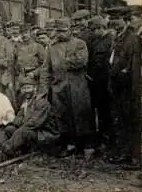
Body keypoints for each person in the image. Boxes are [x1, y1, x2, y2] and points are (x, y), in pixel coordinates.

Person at [40, 18, 95, 160]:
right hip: (59, 86)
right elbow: (46, 69)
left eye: (64, 31)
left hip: (77, 86)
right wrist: (44, 89)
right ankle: (71, 145)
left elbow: (81, 61)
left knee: (82, 114)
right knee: (63, 116)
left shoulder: (79, 43)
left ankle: (88, 146)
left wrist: (64, 61)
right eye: (58, 31)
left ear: (70, 30)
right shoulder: (51, 48)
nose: (61, 34)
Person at [0, 76, 60, 164]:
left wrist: (23, 122)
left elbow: (35, 123)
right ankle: (17, 151)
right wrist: (23, 121)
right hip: (34, 133)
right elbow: (16, 119)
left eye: (29, 87)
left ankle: (1, 156)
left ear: (35, 88)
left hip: (45, 135)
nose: (26, 91)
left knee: (23, 131)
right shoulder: (25, 102)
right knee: (10, 129)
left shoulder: (41, 102)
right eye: (24, 88)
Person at [107, 6, 142, 170]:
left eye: (118, 19)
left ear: (126, 21)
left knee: (132, 121)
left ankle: (135, 158)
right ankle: (124, 154)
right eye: (112, 19)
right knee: (121, 121)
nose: (114, 22)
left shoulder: (133, 39)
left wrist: (134, 90)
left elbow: (133, 67)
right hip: (118, 87)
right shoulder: (118, 38)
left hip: (128, 88)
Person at [86, 16, 114, 149]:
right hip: (94, 80)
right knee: (96, 108)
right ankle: (100, 135)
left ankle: (107, 137)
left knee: (105, 110)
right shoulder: (95, 40)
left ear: (101, 28)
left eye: (95, 29)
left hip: (105, 80)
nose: (94, 32)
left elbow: (110, 63)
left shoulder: (110, 40)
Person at [14, 24, 46, 107]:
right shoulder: (17, 47)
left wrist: (35, 73)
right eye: (22, 33)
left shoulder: (38, 46)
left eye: (26, 32)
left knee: (35, 103)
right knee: (21, 103)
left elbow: (45, 65)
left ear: (31, 33)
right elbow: (14, 63)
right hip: (22, 80)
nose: (24, 35)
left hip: (34, 80)